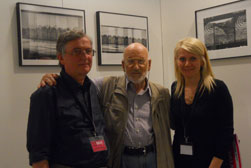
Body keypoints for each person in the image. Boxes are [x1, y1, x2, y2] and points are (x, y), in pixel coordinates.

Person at [38, 43, 175, 168]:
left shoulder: (162, 93)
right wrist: (55, 79)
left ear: (149, 64)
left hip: (153, 158)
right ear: (123, 65)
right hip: (121, 159)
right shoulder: (105, 86)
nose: (136, 67)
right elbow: (78, 85)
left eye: (141, 61)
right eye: (131, 61)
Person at [27, 30, 109, 168]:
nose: (84, 56)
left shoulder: (93, 88)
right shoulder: (46, 94)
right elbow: (38, 155)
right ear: (61, 58)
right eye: (77, 51)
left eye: (88, 51)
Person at [170, 37, 234, 168]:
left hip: (211, 162)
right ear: (177, 61)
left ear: (202, 61)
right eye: (182, 59)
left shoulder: (218, 88)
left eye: (193, 58)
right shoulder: (175, 88)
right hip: (182, 160)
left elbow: (226, 133)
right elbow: (177, 127)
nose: (187, 64)